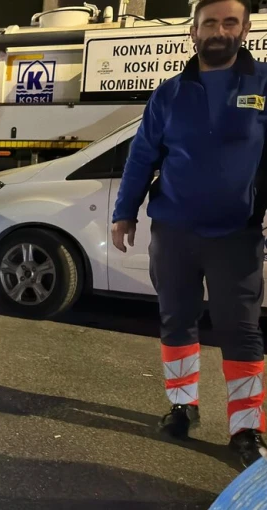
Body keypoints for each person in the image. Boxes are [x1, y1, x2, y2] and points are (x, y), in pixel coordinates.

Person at [111, 0, 267, 468]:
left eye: (229, 22)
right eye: (209, 24)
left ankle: (245, 431)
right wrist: (125, 213)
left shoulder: (263, 85)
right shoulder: (169, 93)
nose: (219, 31)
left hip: (235, 235)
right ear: (193, 32)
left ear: (244, 29)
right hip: (174, 231)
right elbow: (142, 155)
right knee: (176, 322)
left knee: (240, 334)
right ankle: (182, 408)